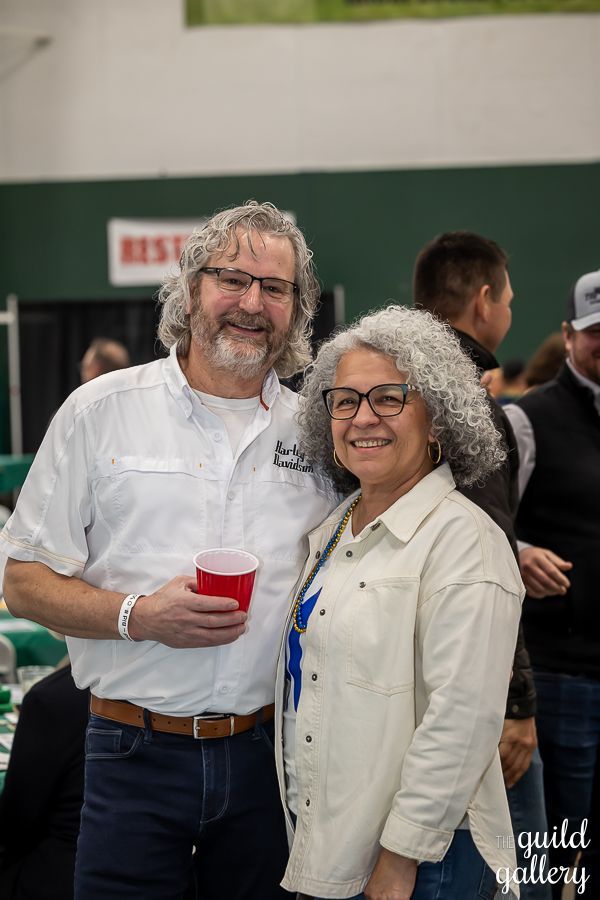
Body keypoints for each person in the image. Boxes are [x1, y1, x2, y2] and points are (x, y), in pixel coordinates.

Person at [0, 200, 335, 900]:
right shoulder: (101, 412)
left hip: (268, 761)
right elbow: (23, 578)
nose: (252, 303)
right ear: (190, 291)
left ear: (297, 311)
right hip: (131, 755)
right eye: (232, 280)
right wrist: (138, 615)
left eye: (275, 289)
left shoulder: (318, 431)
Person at [275, 305, 524, 900]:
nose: (364, 419)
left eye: (389, 398)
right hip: (335, 845)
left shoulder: (465, 542)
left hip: (427, 862)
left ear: (437, 418)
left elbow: (462, 721)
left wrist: (400, 858)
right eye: (345, 401)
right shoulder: (335, 530)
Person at [413, 231, 550, 900]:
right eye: (512, 298)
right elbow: (490, 562)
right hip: (473, 683)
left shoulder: (394, 389)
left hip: (409, 672)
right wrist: (518, 702)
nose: (511, 312)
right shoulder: (468, 407)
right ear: (486, 299)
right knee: (508, 869)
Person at [505, 269, 600, 899]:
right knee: (554, 850)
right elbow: (475, 524)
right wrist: (519, 551)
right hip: (561, 675)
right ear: (567, 335)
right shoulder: (527, 419)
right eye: (596, 333)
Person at [0, 664, 89, 900]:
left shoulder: (53, 697)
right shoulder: (174, 694)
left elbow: (17, 821)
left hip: (62, 873)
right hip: (160, 864)